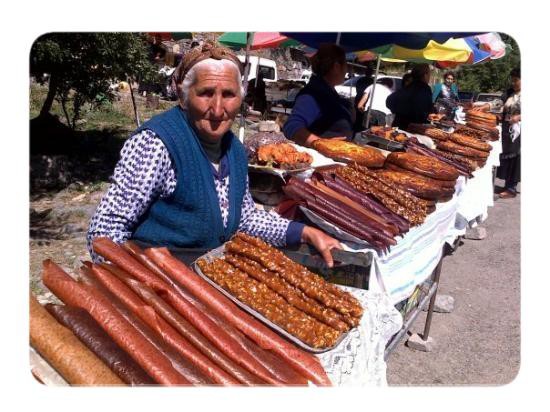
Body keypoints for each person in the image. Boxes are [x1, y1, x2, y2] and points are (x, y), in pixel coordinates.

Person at [87, 41, 342, 266]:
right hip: (155, 281)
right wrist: (137, 284)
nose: (218, 109)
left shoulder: (234, 149)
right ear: (184, 95)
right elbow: (105, 231)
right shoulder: (156, 144)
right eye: (206, 93)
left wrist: (303, 232)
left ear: (241, 97)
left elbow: (244, 218)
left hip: (205, 278)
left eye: (229, 94)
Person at [282, 44, 353, 147]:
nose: (347, 70)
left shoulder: (327, 91)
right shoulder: (314, 93)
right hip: (320, 156)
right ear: (336, 67)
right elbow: (291, 126)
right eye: (346, 65)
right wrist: (323, 144)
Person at [475, 68, 521, 199]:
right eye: (512, 80)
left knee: (517, 158)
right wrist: (485, 107)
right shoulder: (510, 93)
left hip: (520, 132)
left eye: (516, 80)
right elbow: (498, 102)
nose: (513, 83)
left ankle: (511, 188)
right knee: (506, 155)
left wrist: (519, 117)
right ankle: (507, 184)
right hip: (507, 129)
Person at [386, 64, 434, 129]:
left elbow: (389, 101)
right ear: (425, 75)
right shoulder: (425, 89)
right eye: (429, 74)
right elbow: (426, 110)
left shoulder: (409, 86)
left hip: (398, 125)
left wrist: (399, 111)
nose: (429, 77)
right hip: (415, 129)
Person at [353, 67, 374, 133]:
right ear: (371, 73)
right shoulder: (372, 81)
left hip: (358, 98)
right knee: (363, 117)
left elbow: (357, 88)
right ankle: (360, 130)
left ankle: (356, 129)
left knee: (358, 116)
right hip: (364, 100)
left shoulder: (360, 80)